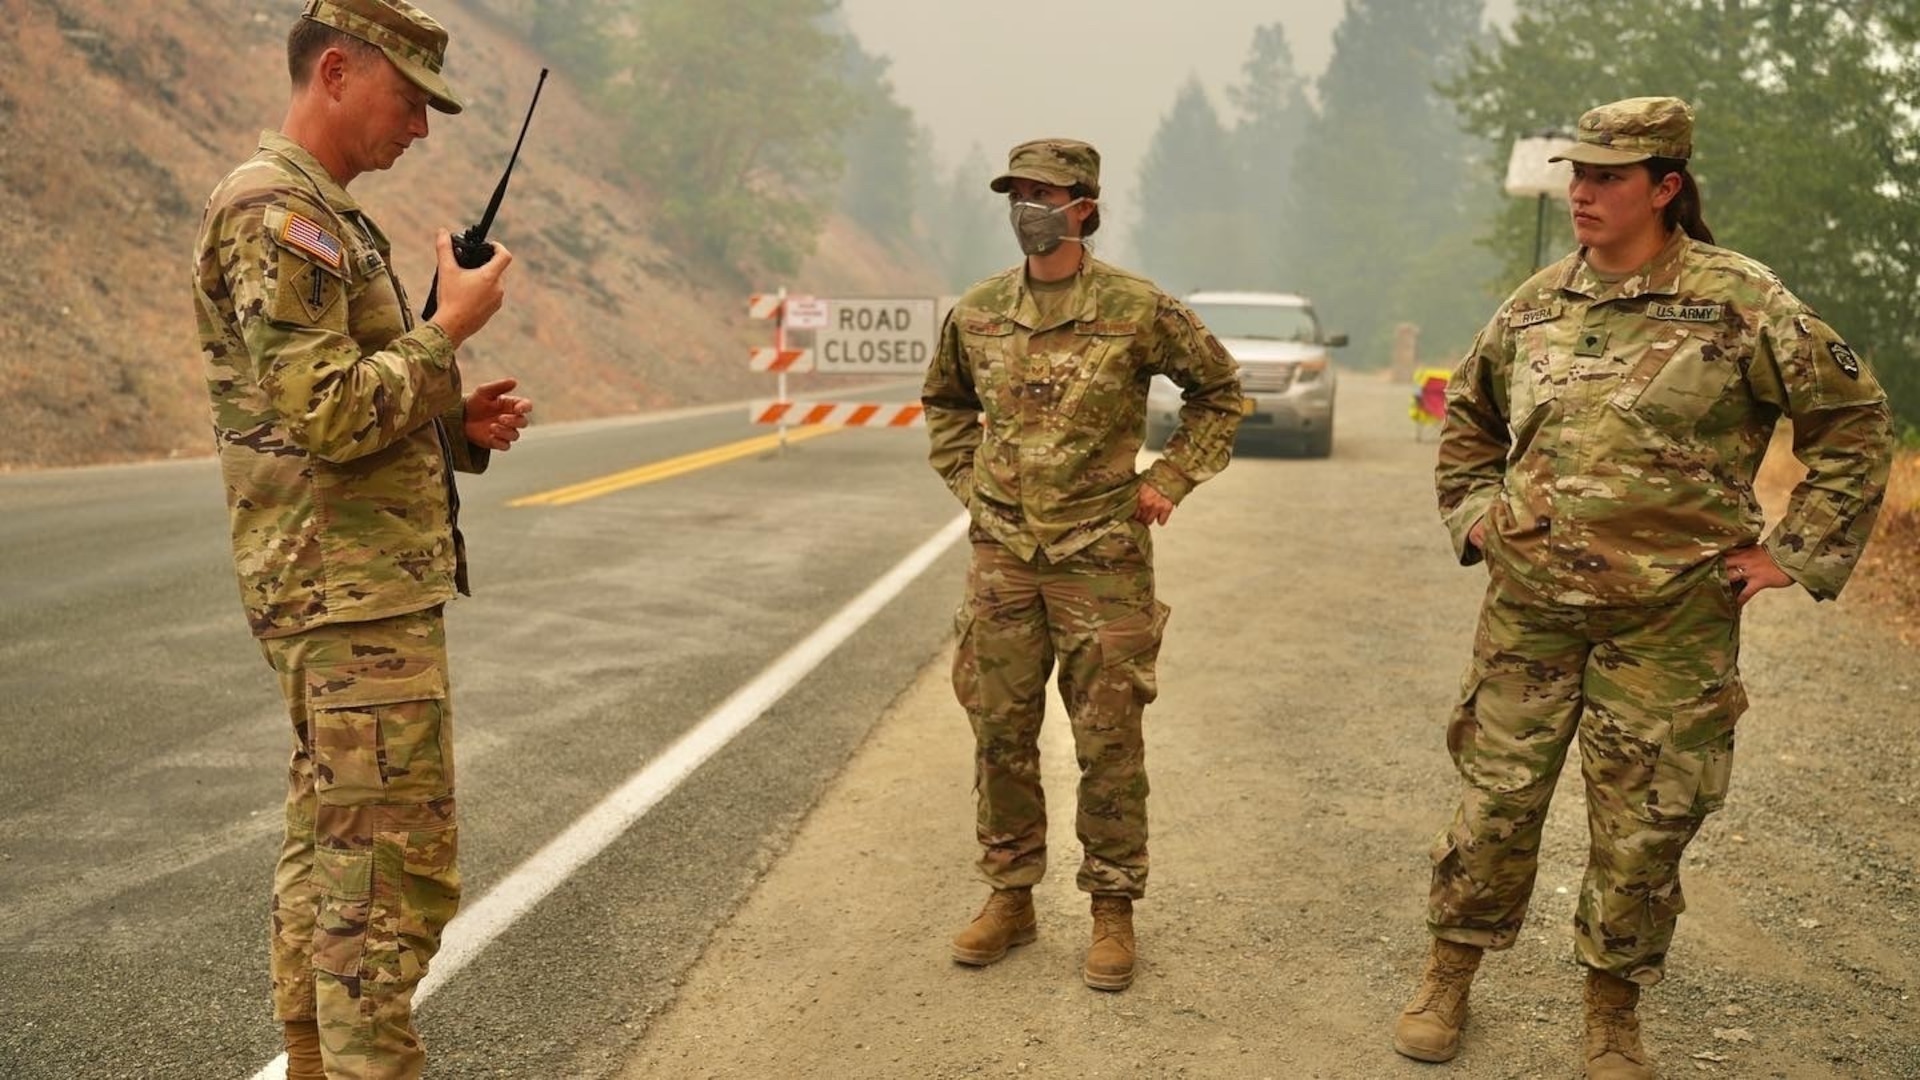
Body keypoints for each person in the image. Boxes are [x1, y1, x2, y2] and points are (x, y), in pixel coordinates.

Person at [1396, 97, 1894, 1079]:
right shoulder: (1535, 304)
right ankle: (1449, 975)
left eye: (1607, 177)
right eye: (1576, 174)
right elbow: (1468, 419)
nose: (1582, 192)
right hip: (1529, 612)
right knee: (1494, 804)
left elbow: (1856, 423)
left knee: (1644, 824)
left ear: (1667, 187)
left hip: (1670, 623)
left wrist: (1793, 552)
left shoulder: (1740, 301)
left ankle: (1612, 1013)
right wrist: (1474, 519)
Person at [191, 1, 531, 1075]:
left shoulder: (318, 213)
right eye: (411, 99)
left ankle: (314, 1059)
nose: (423, 129)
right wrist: (448, 330)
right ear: (337, 71)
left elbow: (320, 402)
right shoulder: (278, 214)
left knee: (337, 850)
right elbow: (327, 414)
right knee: (389, 873)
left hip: (347, 587)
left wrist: (453, 424)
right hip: (350, 598)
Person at [921, 138, 1244, 992]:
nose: (1028, 206)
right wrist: (971, 484)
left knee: (1107, 741)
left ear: (1086, 208)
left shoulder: (1138, 308)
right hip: (1004, 562)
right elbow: (944, 403)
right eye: (1018, 192)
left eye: (1045, 192)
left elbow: (1220, 391)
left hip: (1100, 560)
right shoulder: (980, 309)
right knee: (999, 732)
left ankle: (1112, 909)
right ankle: (1010, 896)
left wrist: (1172, 476)